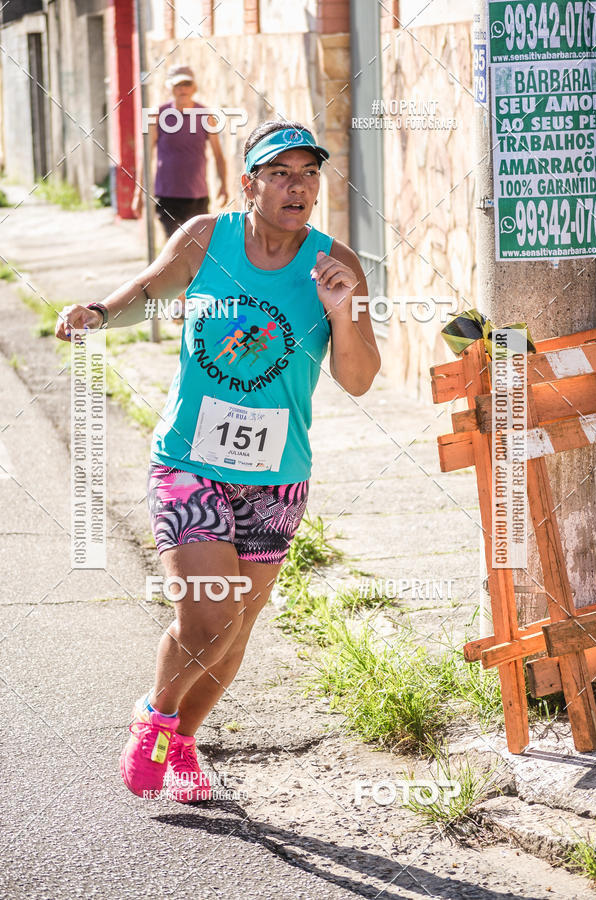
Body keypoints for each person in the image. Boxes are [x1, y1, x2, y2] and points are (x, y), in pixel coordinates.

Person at [55, 120, 381, 802]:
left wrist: (342, 310)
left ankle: (183, 743)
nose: (299, 186)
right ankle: (156, 716)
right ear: (249, 182)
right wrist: (95, 312)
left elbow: (357, 379)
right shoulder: (208, 238)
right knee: (209, 616)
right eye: (281, 173)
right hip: (190, 460)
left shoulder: (333, 261)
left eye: (309, 173)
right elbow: (149, 291)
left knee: (235, 631)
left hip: (276, 477)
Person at [132, 64, 229, 237]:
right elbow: (146, 157)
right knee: (175, 247)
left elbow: (218, 155)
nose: (183, 89)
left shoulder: (205, 115)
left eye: (187, 84)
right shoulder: (157, 115)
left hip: (197, 195)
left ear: (194, 87)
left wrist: (224, 185)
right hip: (167, 196)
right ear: (170, 87)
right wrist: (138, 194)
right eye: (178, 85)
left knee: (199, 248)